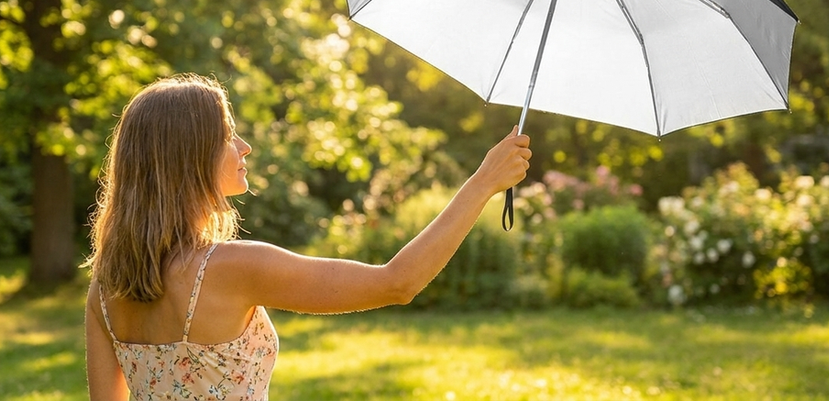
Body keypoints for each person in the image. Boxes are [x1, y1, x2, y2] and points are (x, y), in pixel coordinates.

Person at [84, 73, 532, 401]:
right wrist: (482, 183)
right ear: (189, 157)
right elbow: (398, 282)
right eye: (225, 135)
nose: (244, 148)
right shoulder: (232, 269)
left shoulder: (106, 288)